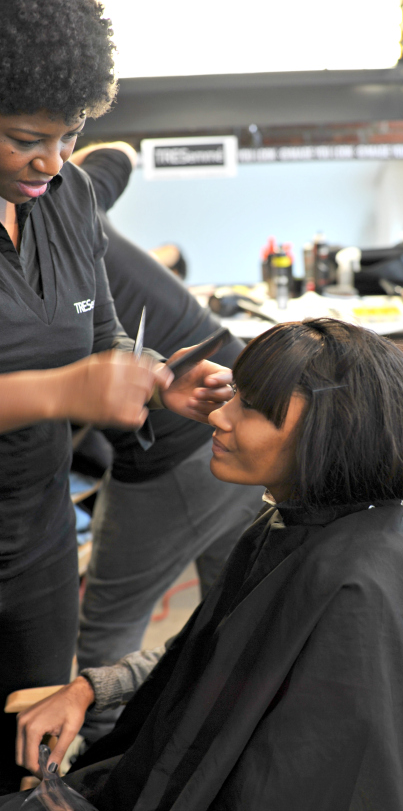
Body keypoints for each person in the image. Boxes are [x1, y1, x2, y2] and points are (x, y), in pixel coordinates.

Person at [14, 320, 403, 811]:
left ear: (332, 436)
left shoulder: (356, 592)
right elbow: (224, 652)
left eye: (253, 409)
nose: (220, 416)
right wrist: (92, 688)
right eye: (235, 394)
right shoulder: (290, 521)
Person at [0, 0, 232, 792]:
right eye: (25, 139)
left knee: (27, 767)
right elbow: (70, 373)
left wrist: (153, 385)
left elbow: (101, 335)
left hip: (34, 547)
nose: (52, 161)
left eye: (70, 136)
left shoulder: (66, 201)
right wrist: (63, 389)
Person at [66, 142, 263, 744]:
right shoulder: (74, 192)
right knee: (232, 621)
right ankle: (212, 760)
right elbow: (119, 152)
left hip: (186, 428)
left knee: (104, 637)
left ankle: (100, 773)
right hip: (232, 388)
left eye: (54, 142)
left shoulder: (48, 198)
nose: (44, 159)